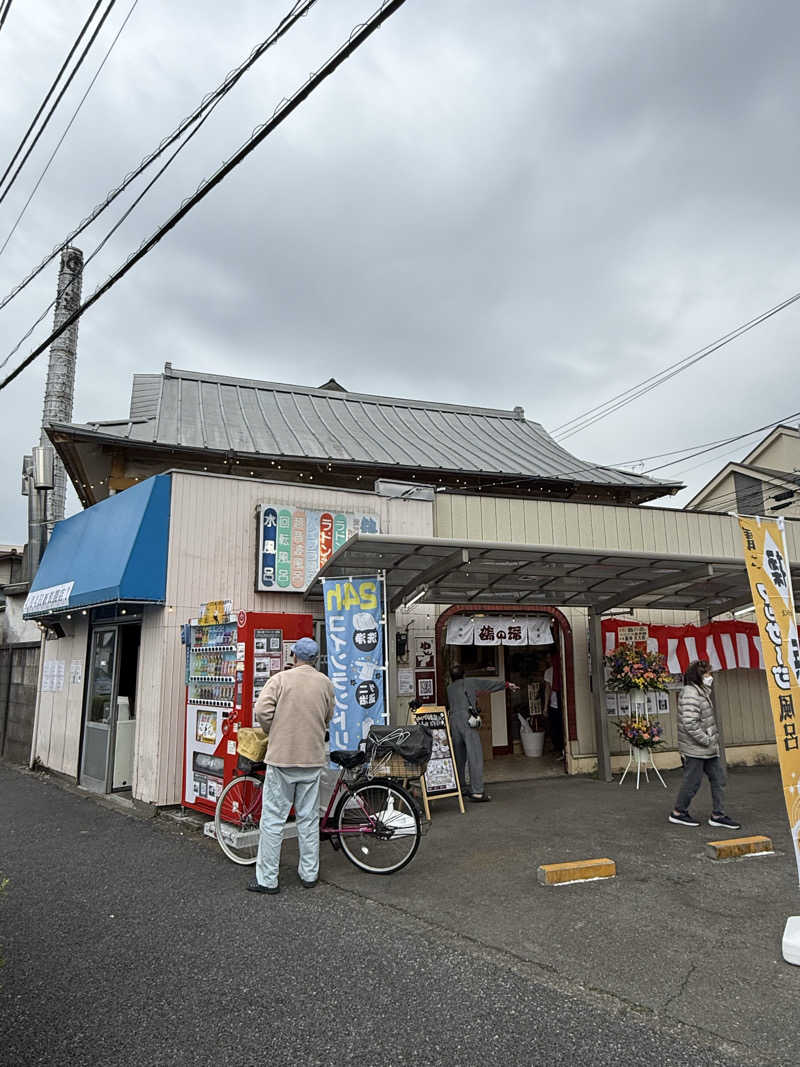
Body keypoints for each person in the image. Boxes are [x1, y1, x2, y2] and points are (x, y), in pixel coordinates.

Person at [247, 637, 335, 894]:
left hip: (282, 758)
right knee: (308, 819)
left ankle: (268, 880)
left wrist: (275, 728)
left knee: (273, 819)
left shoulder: (280, 680)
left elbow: (262, 711)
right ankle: (309, 874)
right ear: (316, 659)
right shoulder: (325, 683)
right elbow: (328, 714)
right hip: (312, 759)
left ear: (294, 656)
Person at [669, 659, 740, 829]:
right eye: (707, 673)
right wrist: (707, 739)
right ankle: (679, 812)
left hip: (706, 748)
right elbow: (690, 723)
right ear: (699, 676)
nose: (710, 676)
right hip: (696, 748)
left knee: (719, 778)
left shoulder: (700, 691)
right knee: (692, 782)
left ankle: (718, 814)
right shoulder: (691, 694)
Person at [446, 664, 519, 803]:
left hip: (453, 721)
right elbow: (488, 685)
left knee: (459, 757)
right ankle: (477, 792)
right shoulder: (469, 682)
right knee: (475, 756)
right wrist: (508, 684)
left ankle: (461, 787)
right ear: (464, 674)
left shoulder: (449, 688)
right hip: (467, 720)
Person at [542, 650, 564, 758]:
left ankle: (560, 749)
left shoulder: (550, 671)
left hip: (555, 703)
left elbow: (547, 690)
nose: (548, 660)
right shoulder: (551, 671)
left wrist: (545, 707)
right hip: (554, 703)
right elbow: (548, 690)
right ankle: (560, 749)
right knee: (557, 727)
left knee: (556, 727)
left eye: (549, 658)